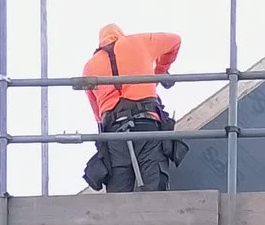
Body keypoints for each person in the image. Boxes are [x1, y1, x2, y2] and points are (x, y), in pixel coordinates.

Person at [77, 24, 184, 192]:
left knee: (119, 200)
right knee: (156, 191)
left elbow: (98, 115)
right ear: (120, 35)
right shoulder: (139, 42)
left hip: (114, 134)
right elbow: (175, 41)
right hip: (147, 125)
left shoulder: (89, 68)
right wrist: (160, 72)